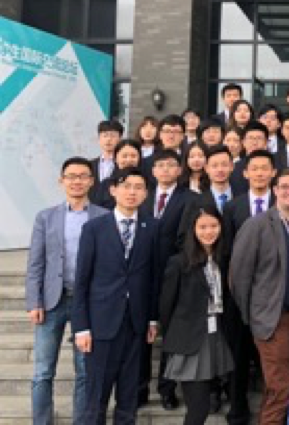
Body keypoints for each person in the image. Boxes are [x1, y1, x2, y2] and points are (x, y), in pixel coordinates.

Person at [229, 168, 289, 424]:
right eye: (284, 186)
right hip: (271, 319)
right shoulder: (256, 225)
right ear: (275, 190)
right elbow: (238, 276)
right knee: (280, 388)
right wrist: (254, 315)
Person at [72, 168, 159, 424]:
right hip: (101, 323)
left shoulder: (152, 227)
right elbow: (82, 281)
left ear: (145, 193)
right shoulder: (94, 228)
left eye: (138, 187)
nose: (132, 192)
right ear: (113, 190)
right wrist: (81, 327)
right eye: (126, 186)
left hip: (136, 323)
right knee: (96, 396)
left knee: (129, 395)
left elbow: (154, 278)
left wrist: (152, 319)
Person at [26, 157, 109, 424]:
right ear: (61, 181)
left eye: (83, 176)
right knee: (42, 372)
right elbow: (36, 263)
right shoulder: (46, 217)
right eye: (71, 176)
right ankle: (41, 420)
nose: (77, 181)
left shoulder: (104, 216)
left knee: (85, 371)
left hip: (88, 304)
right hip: (52, 301)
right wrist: (34, 301)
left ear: (91, 181)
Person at [160, 205, 234, 425]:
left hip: (216, 336)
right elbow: (166, 306)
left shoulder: (223, 260)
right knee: (198, 407)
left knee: (205, 405)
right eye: (202, 227)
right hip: (190, 340)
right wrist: (174, 339)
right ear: (192, 229)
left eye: (213, 226)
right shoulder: (179, 262)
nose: (208, 231)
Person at [223, 149, 276, 424]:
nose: (259, 173)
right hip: (240, 296)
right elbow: (227, 253)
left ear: (273, 172)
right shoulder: (233, 207)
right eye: (254, 168)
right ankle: (238, 409)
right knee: (239, 355)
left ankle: (272, 412)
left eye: (264, 168)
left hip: (273, 295)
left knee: (271, 360)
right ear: (244, 173)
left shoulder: (282, 203)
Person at [140, 149, 193, 410]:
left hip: (175, 276)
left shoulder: (191, 199)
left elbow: (187, 240)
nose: (165, 169)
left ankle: (167, 388)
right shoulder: (141, 196)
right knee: (141, 335)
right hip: (142, 277)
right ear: (153, 170)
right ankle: (139, 388)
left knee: (171, 336)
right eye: (160, 165)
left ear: (179, 169)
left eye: (171, 165)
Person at [90, 139, 141, 209]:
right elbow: (97, 209)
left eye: (133, 156)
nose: (128, 160)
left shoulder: (148, 183)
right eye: (124, 156)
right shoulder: (106, 184)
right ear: (115, 159)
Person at [228, 121, 269, 195]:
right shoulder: (234, 168)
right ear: (243, 142)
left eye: (259, 138)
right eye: (251, 138)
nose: (254, 143)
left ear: (266, 143)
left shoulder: (276, 166)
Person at [90, 119, 124, 184]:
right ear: (99, 139)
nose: (108, 139)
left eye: (113, 136)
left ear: (120, 139)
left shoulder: (124, 164)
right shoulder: (90, 165)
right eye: (105, 136)